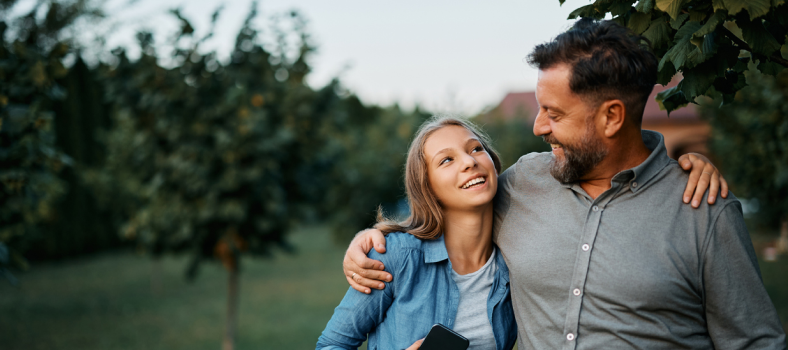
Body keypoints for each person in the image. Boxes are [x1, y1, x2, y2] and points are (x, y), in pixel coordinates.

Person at [343, 19, 787, 349]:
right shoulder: (519, 185)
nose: (539, 126)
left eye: (554, 114)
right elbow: (445, 212)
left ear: (611, 117)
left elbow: (755, 342)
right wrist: (372, 237)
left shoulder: (700, 208)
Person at [316, 118, 517, 350]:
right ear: (427, 186)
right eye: (447, 160)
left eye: (476, 149)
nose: (469, 161)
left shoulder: (514, 263)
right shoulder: (395, 256)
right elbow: (330, 345)